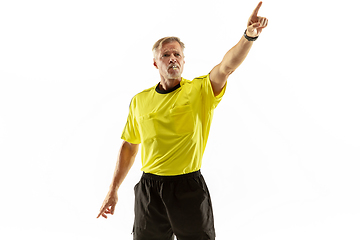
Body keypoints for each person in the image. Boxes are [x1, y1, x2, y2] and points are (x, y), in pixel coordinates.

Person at [97, 2, 268, 239]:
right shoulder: (140, 101)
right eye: (165, 55)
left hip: (188, 188)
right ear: (156, 63)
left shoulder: (200, 90)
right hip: (150, 190)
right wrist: (113, 190)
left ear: (184, 61)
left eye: (177, 54)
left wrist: (248, 36)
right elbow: (129, 146)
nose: (172, 58)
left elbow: (227, 67)